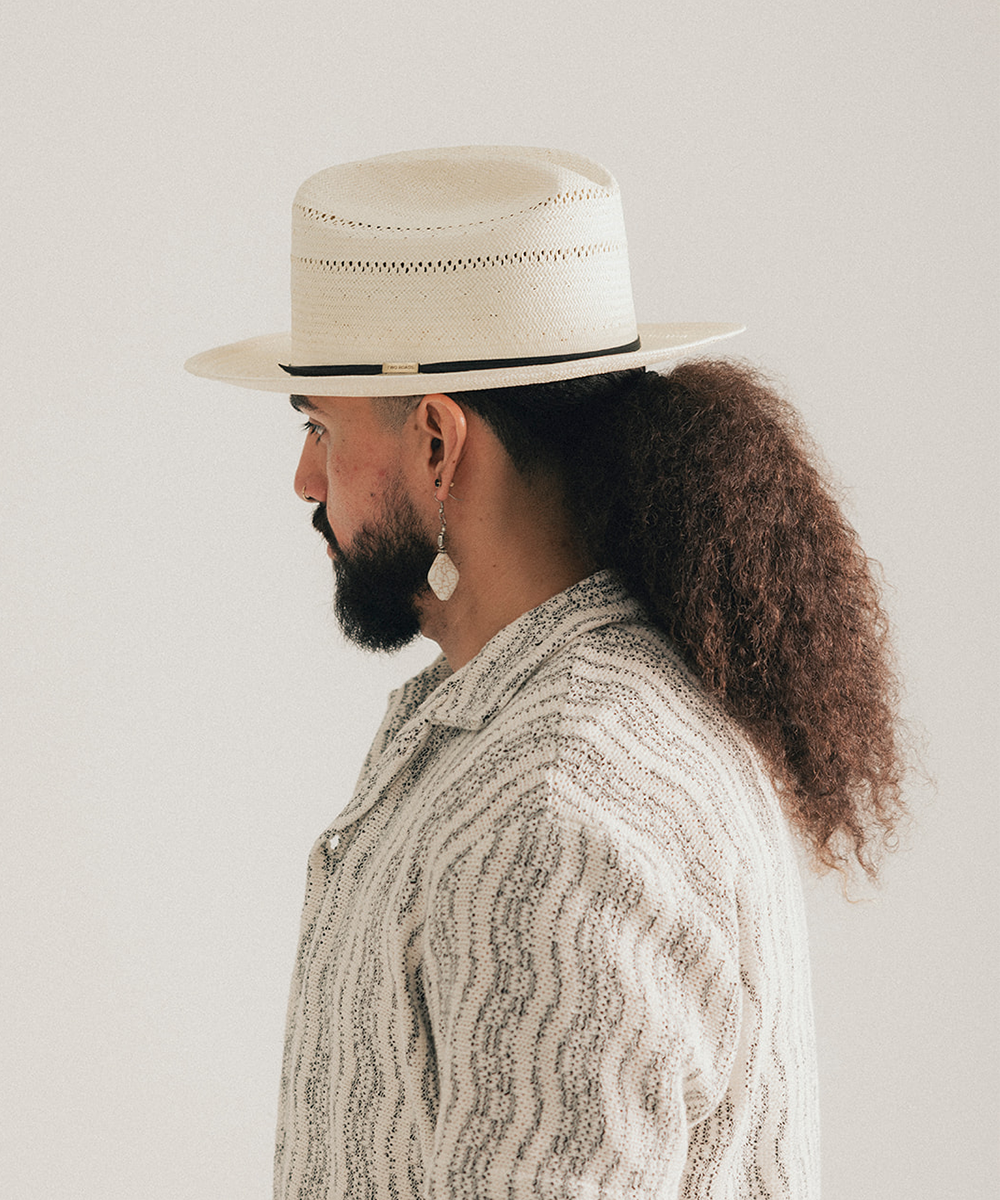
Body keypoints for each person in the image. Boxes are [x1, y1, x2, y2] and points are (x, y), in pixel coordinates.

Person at [186, 146, 906, 1199]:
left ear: (436, 443)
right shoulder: (518, 736)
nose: (305, 477)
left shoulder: (555, 812)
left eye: (319, 426)